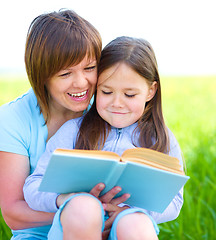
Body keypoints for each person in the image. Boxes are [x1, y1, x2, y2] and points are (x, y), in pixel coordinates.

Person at [23, 36, 185, 240]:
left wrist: (130, 209)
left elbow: (175, 202)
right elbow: (33, 186)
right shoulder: (73, 131)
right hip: (75, 225)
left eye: (130, 95)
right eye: (106, 91)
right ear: (96, 87)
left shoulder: (162, 140)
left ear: (151, 91)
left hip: (126, 225)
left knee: (136, 223)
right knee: (84, 207)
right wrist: (63, 198)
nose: (117, 103)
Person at [0, 10, 128, 240]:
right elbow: (13, 213)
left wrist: (116, 215)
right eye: (65, 73)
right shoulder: (12, 119)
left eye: (89, 68)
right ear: (42, 76)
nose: (81, 82)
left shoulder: (106, 109)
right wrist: (83, 214)